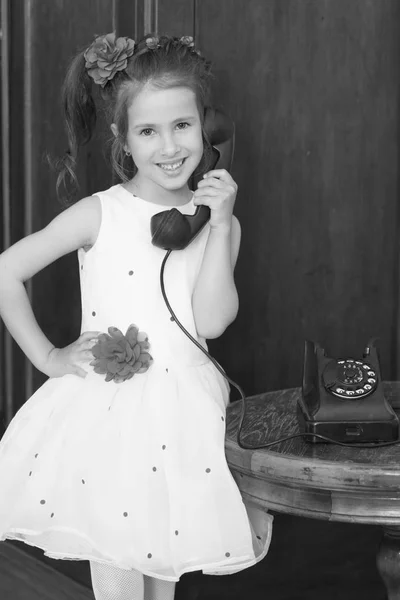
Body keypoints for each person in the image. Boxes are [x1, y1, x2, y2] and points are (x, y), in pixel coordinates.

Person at [0, 32, 273, 600]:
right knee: (121, 574)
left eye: (183, 126)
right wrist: (48, 356)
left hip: (183, 415)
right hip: (111, 418)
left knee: (161, 572)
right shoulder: (101, 213)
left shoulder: (217, 223)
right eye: (148, 131)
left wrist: (220, 225)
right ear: (123, 139)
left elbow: (212, 322)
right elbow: (6, 271)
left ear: (208, 129)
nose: (169, 146)